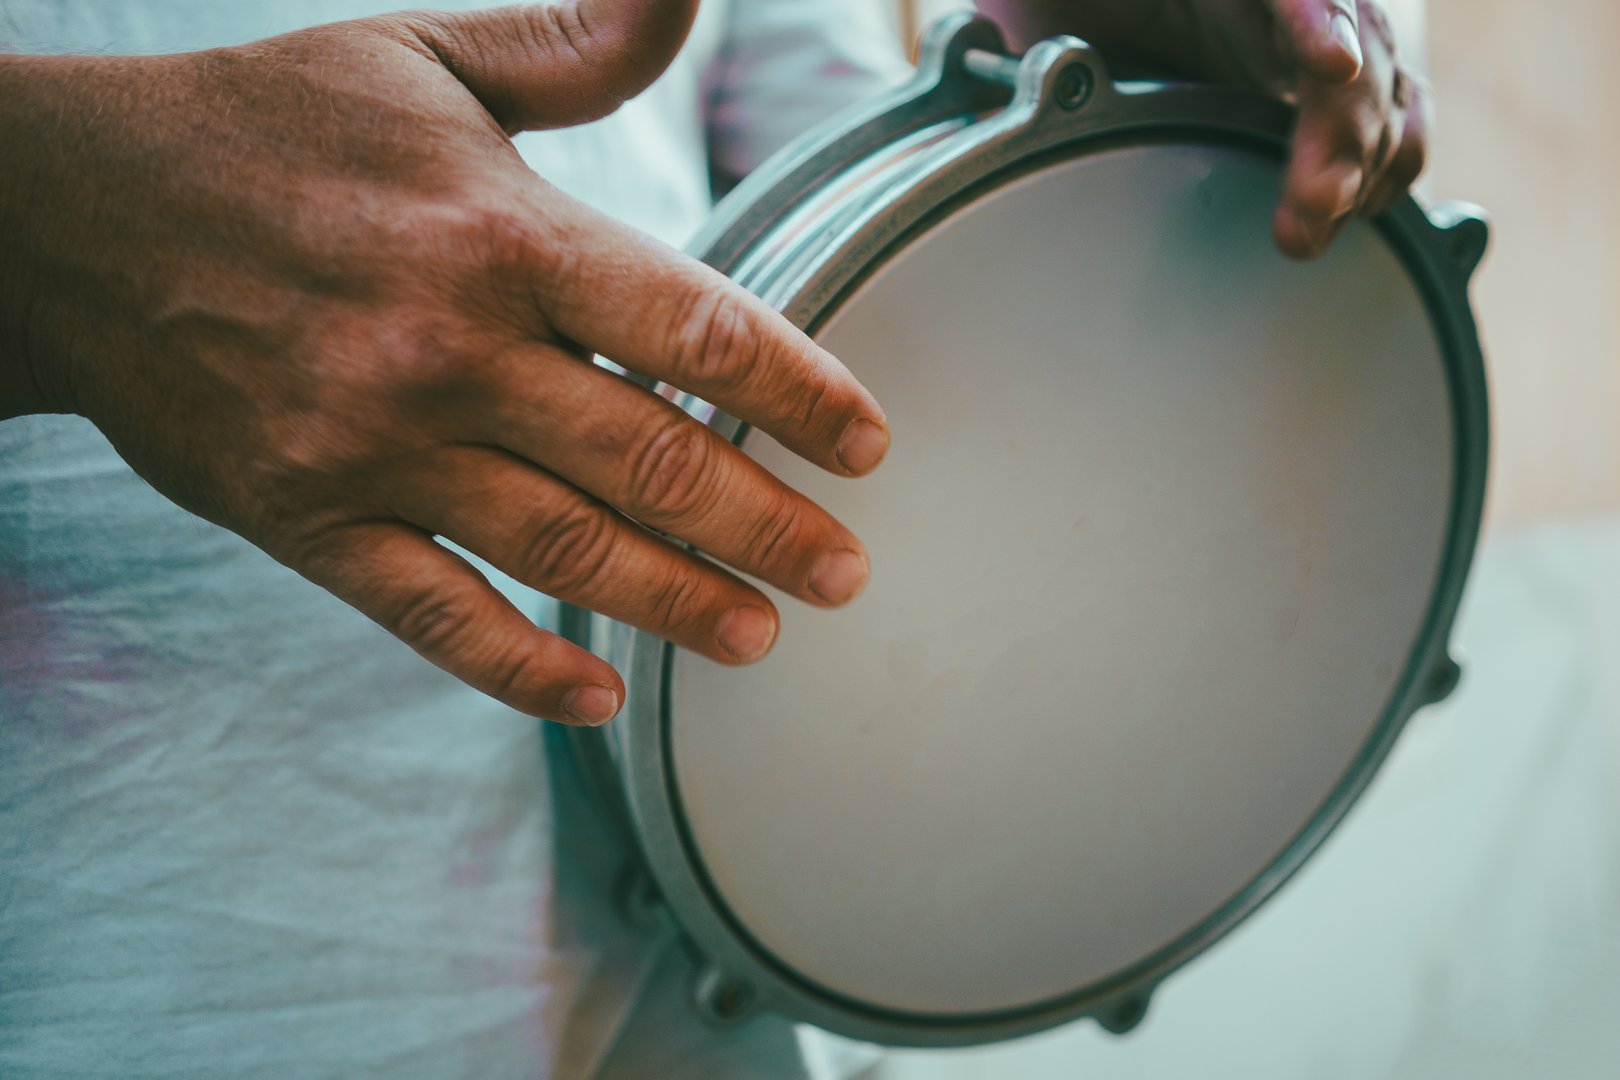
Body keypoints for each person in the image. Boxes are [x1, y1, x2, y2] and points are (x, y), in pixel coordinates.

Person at [0, 1, 1430, 1075]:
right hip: (129, 985)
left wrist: (1087, 82)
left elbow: (802, 171)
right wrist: (56, 227)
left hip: (688, 967)